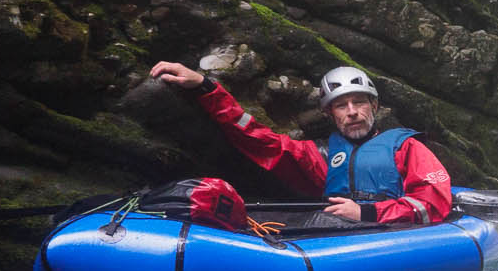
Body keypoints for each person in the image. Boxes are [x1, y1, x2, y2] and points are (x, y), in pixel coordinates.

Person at [146, 61, 454, 225]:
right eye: (341, 106)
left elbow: (432, 204)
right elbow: (253, 135)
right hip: (337, 235)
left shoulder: (408, 148)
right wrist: (205, 87)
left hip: (394, 234)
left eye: (359, 102)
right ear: (329, 114)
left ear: (374, 107)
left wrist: (367, 213)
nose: (352, 112)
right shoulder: (318, 156)